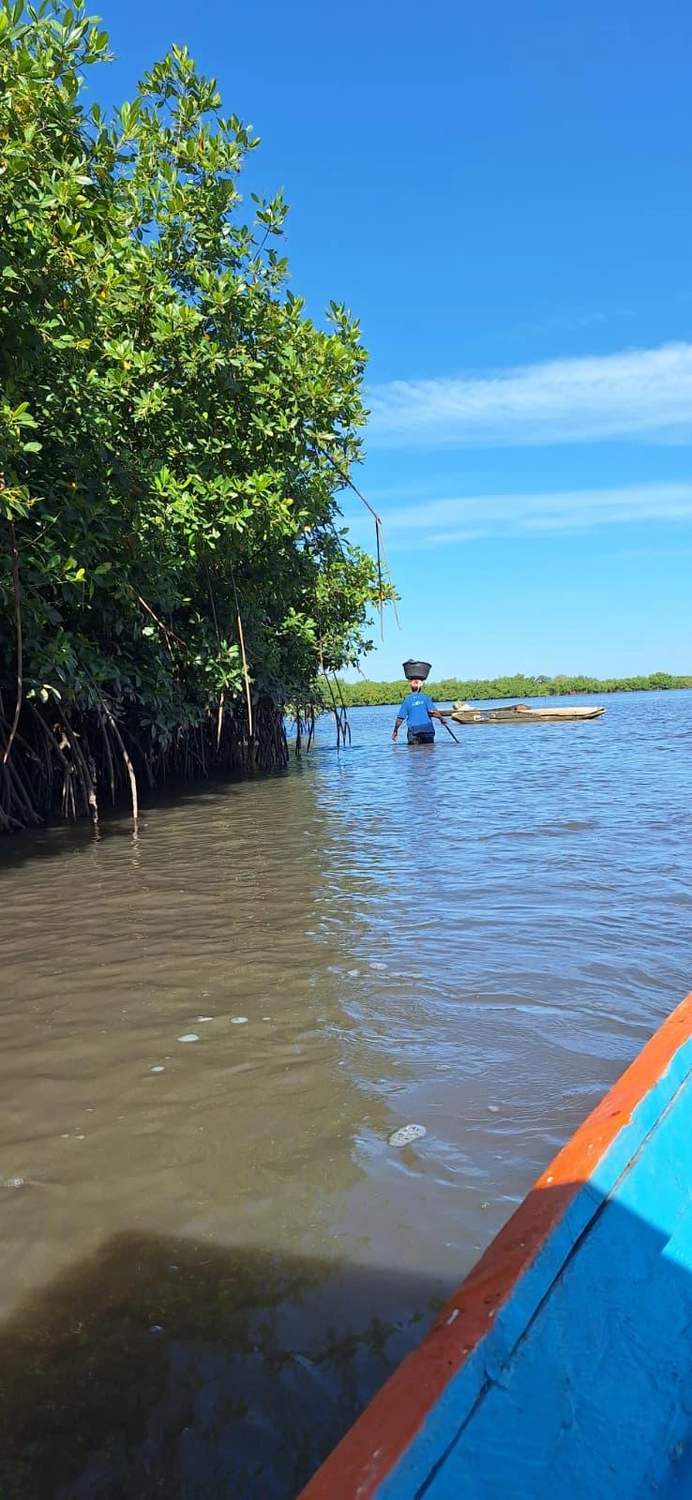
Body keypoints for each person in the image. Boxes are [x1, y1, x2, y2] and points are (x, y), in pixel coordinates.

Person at [392, 678, 445, 744]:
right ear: (421, 688)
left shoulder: (407, 700)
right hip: (427, 730)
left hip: (413, 731)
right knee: (429, 753)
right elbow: (433, 712)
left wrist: (395, 730)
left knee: (414, 753)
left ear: (411, 688)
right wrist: (441, 719)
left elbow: (400, 719)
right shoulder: (426, 698)